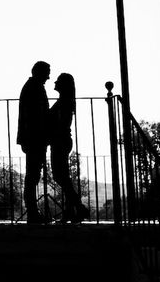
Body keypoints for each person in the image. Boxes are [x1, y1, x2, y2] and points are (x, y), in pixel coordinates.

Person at [48, 73, 89, 223]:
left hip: (60, 141)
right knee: (62, 177)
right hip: (61, 140)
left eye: (58, 81)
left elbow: (58, 123)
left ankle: (78, 208)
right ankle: (72, 211)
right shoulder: (65, 101)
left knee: (61, 177)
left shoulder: (64, 102)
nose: (55, 82)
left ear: (63, 85)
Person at [17, 61, 51, 224]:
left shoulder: (32, 86)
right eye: (47, 72)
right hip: (34, 138)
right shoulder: (34, 87)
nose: (49, 77)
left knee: (33, 175)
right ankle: (32, 212)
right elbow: (36, 116)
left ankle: (33, 211)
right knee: (32, 176)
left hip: (33, 138)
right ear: (40, 72)